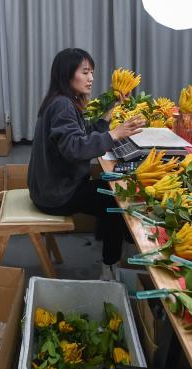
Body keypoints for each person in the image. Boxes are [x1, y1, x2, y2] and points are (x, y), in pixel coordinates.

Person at [27, 48, 144, 280]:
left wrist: (110, 113)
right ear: (67, 74)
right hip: (56, 194)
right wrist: (114, 135)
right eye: (85, 72)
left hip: (50, 187)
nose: (91, 78)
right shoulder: (62, 105)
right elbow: (74, 148)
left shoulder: (61, 101)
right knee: (114, 201)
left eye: (91, 72)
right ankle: (109, 268)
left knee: (108, 190)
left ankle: (116, 247)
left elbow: (82, 134)